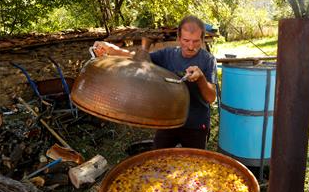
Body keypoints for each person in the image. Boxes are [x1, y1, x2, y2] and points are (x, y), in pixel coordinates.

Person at [93, 15, 217, 149]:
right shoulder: (167, 55)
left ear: (203, 39)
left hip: (196, 124)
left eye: (196, 41)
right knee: (157, 158)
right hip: (169, 121)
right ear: (178, 38)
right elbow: (139, 59)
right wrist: (112, 50)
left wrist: (201, 78)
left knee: (196, 164)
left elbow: (211, 97)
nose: (191, 46)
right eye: (186, 40)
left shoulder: (208, 60)